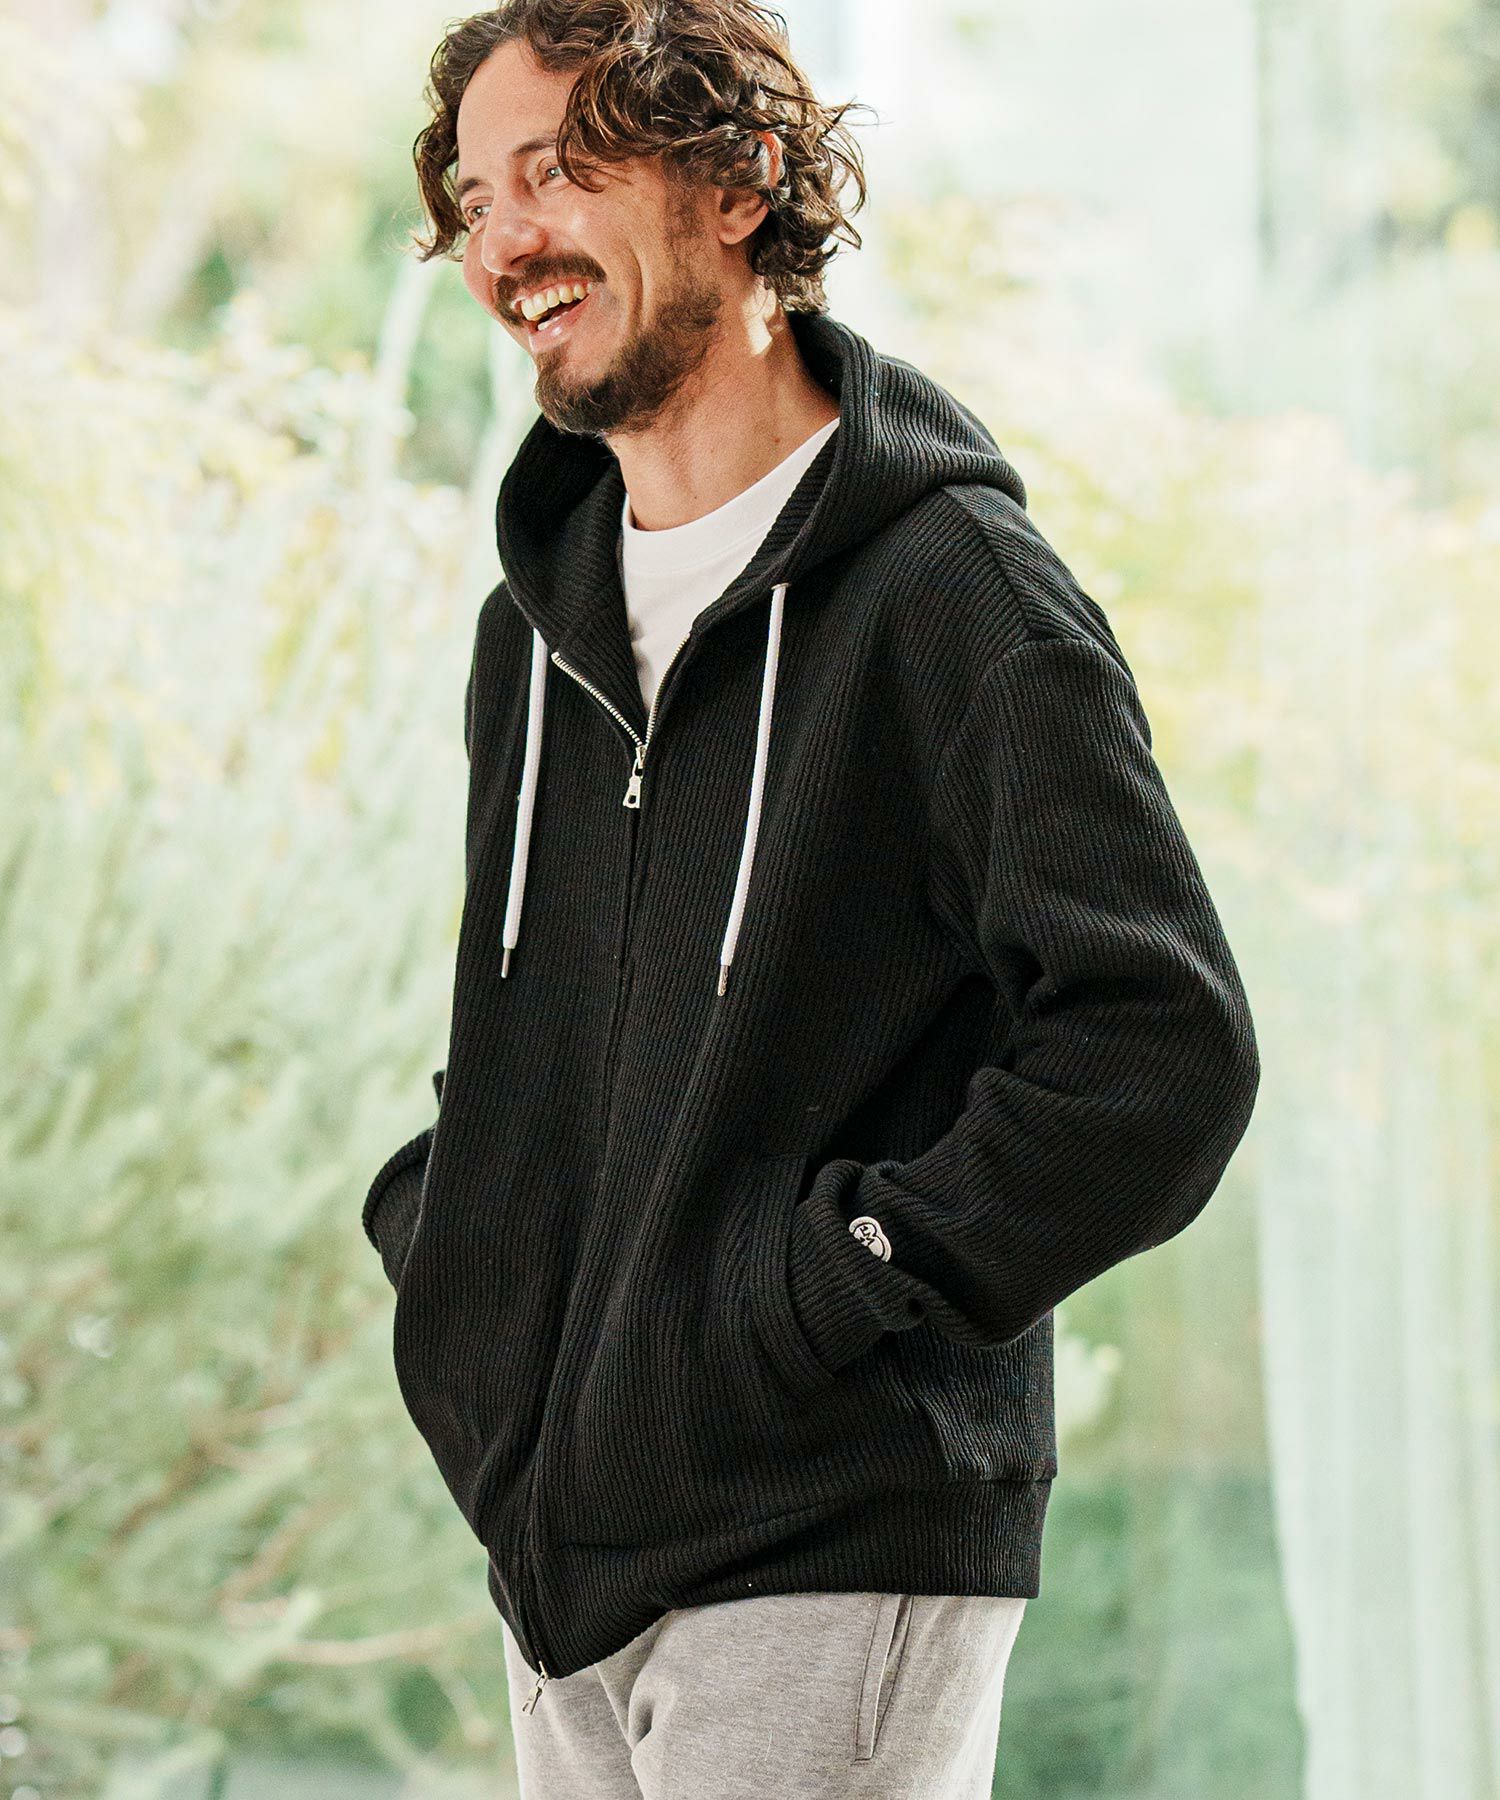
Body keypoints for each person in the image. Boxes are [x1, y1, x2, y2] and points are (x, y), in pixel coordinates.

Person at [362, 3, 1261, 1793]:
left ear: (740, 181)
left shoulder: (953, 596)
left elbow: (1160, 1049)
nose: (505, 240)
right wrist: (458, 1255)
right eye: (475, 198)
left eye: (559, 170)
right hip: (563, 1558)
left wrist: (834, 1284)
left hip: (826, 1530)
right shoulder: (531, 636)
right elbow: (553, 1028)